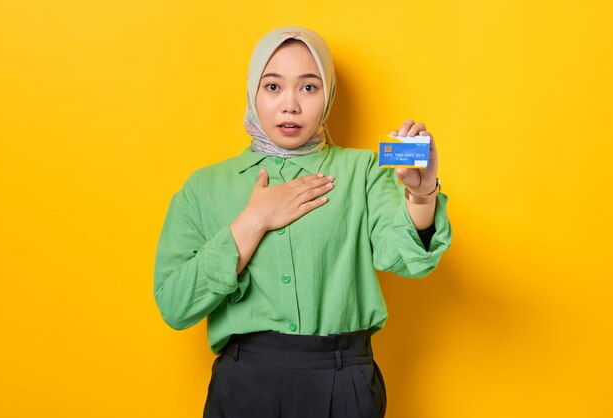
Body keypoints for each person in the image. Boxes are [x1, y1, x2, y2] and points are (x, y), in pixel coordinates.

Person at [153, 26, 452, 418]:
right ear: (252, 92)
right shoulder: (205, 187)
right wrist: (254, 220)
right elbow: (175, 305)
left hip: (343, 381)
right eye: (273, 87)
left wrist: (422, 193)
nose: (290, 105)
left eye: (308, 88)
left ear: (327, 94)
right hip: (245, 385)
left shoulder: (363, 170)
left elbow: (410, 261)